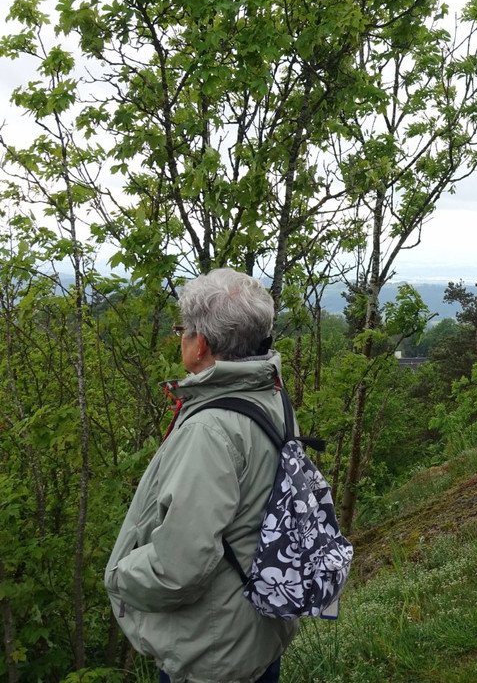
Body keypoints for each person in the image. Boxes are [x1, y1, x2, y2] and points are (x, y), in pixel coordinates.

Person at [105, 268, 298, 683]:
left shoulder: (211, 430)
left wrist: (120, 577)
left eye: (183, 330)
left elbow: (180, 567)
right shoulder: (270, 394)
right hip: (255, 631)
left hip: (213, 653)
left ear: (202, 345)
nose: (181, 338)